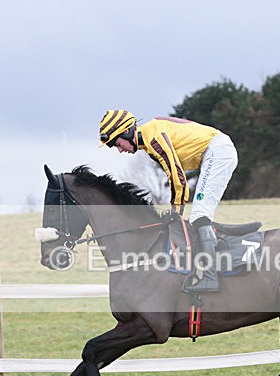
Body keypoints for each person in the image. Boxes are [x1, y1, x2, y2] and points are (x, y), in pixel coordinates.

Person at [99, 109, 238, 293]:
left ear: (126, 131)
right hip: (215, 151)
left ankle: (210, 277)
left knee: (200, 215)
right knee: (199, 215)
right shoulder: (149, 137)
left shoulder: (153, 138)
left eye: (118, 143)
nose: (120, 149)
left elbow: (177, 177)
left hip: (217, 152)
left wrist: (176, 212)